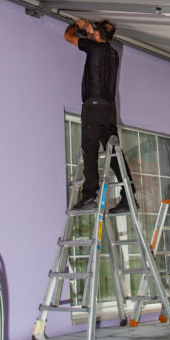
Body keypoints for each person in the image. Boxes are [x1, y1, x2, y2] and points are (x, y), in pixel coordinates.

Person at [64, 18, 135, 213]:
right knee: (114, 154)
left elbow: (68, 36)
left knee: (90, 150)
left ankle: (89, 196)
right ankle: (129, 197)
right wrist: (90, 33)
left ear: (97, 35)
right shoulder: (113, 54)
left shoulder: (93, 47)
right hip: (109, 111)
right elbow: (98, 47)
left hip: (93, 108)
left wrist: (77, 26)